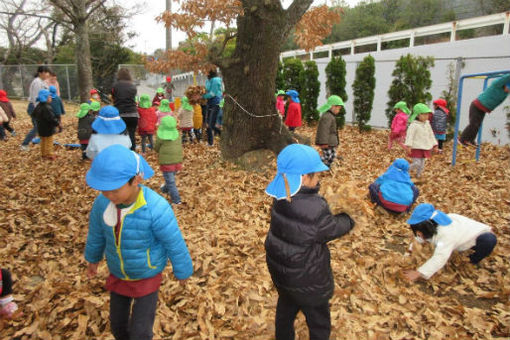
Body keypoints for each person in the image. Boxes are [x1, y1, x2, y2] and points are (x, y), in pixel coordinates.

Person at [84, 144, 193, 340]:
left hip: (146, 274)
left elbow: (173, 241)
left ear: (136, 180)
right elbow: (97, 234)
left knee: (140, 332)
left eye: (114, 190)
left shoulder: (155, 208)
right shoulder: (102, 204)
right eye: (104, 190)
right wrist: (93, 259)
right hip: (118, 273)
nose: (109, 196)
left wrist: (182, 270)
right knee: (118, 326)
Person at [264, 144, 355, 340]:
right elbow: (332, 228)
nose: (319, 179)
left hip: (284, 275)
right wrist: (349, 219)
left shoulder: (281, 196)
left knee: (285, 312)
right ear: (304, 177)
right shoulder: (315, 208)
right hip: (308, 281)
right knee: (319, 322)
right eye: (317, 175)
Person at [403, 203, 497, 282]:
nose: (419, 235)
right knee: (444, 246)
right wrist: (408, 253)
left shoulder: (446, 234)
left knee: (488, 240)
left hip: (474, 238)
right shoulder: (430, 226)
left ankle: (472, 260)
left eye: (420, 233)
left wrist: (419, 273)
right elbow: (417, 240)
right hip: (457, 237)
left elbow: (440, 257)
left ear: (428, 227)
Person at [459, 74, 510, 146]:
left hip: (483, 109)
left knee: (477, 125)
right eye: (508, 87)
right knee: (473, 124)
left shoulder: (505, 93)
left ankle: (470, 140)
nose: (508, 90)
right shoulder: (497, 85)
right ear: (504, 85)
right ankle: (462, 139)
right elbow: (505, 78)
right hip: (476, 105)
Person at [154, 116, 184, 205]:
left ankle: (176, 200)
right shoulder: (177, 134)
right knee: (170, 178)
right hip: (177, 162)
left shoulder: (160, 136)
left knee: (171, 182)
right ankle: (164, 189)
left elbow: (156, 148)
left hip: (167, 163)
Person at [21, 65, 51, 151]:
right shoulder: (37, 82)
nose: (48, 74)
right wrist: (41, 110)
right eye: (46, 72)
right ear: (41, 73)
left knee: (39, 127)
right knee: (38, 127)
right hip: (35, 107)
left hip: (38, 107)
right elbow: (36, 98)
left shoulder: (42, 82)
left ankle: (41, 140)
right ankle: (24, 144)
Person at [404, 103, 437, 178]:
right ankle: (405, 170)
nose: (426, 116)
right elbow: (410, 136)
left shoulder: (427, 124)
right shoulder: (414, 125)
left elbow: (431, 134)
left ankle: (418, 176)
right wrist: (408, 146)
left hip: (425, 147)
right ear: (418, 115)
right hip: (416, 147)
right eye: (424, 114)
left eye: (427, 114)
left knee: (422, 164)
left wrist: (435, 145)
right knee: (417, 163)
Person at [112, 68, 138, 151]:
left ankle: (122, 152)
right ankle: (132, 152)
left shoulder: (115, 86)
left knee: (120, 135)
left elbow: (113, 96)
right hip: (133, 114)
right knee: (131, 135)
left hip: (120, 114)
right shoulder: (133, 86)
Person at [33, 89, 61, 160]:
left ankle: (43, 154)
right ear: (45, 98)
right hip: (48, 128)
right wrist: (58, 124)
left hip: (40, 127)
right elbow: (52, 118)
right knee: (49, 141)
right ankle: (49, 154)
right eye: (49, 97)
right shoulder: (47, 107)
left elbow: (33, 114)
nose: (51, 98)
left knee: (43, 141)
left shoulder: (38, 106)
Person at [315, 95, 343, 168]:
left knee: (332, 156)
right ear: (333, 106)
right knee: (328, 156)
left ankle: (326, 168)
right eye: (338, 108)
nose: (339, 111)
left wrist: (335, 142)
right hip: (327, 142)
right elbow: (323, 130)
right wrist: (323, 142)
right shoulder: (327, 117)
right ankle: (314, 163)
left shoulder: (331, 116)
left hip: (331, 142)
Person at [203, 69, 223, 146]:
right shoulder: (208, 80)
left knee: (211, 124)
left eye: (207, 72)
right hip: (209, 102)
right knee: (207, 124)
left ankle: (222, 135)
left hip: (216, 102)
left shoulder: (216, 80)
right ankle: (210, 143)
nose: (205, 73)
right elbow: (206, 90)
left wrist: (202, 96)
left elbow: (212, 93)